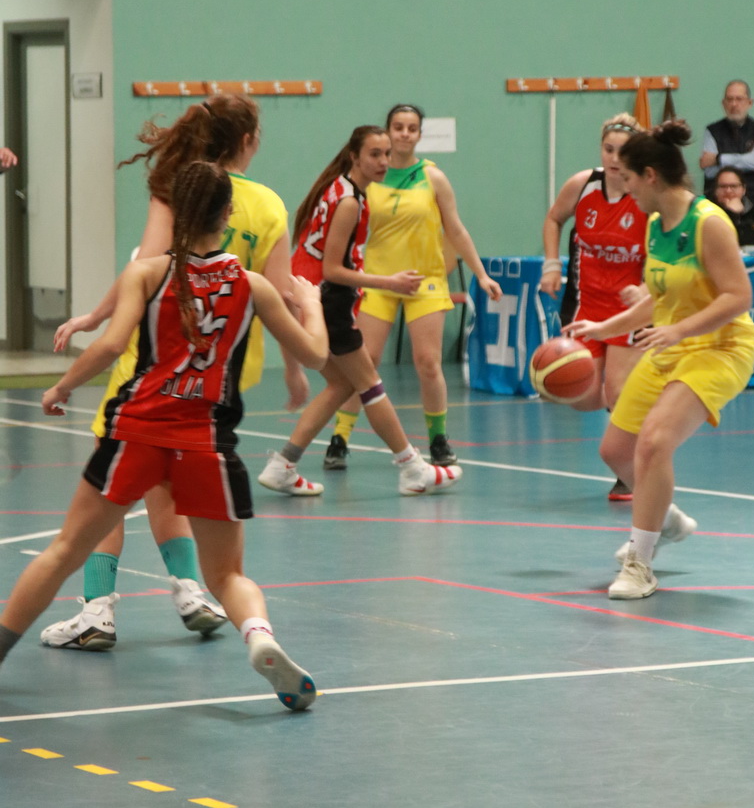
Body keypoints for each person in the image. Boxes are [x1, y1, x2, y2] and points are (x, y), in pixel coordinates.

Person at [0, 161, 328, 710]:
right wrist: (312, 306)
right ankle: (260, 638)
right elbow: (315, 355)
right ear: (227, 214)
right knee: (228, 575)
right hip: (208, 442)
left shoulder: (147, 274)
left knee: (64, 551)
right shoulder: (252, 286)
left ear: (175, 212)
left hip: (137, 434)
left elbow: (110, 345)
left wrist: (61, 387)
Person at [43, 93, 310, 652]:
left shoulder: (179, 189)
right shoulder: (267, 205)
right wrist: (294, 370)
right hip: (221, 370)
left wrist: (97, 317)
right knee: (167, 482)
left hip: (157, 360)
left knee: (110, 484)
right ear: (248, 141)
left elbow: (148, 265)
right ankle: (191, 591)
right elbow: (285, 294)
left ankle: (96, 609)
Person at [565, 121, 754, 600]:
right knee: (616, 450)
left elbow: (739, 296)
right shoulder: (655, 225)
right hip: (670, 344)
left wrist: (679, 330)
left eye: (628, 177)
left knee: (654, 442)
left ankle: (640, 563)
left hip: (719, 348)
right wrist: (603, 327)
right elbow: (658, 296)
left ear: (650, 176)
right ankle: (664, 518)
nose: (624, 187)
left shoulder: (709, 223)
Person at [258, 125, 463, 497]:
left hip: (308, 294)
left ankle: (282, 465)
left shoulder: (338, 187)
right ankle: (412, 468)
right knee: (369, 384)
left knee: (343, 385)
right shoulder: (350, 202)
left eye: (386, 154)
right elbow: (333, 269)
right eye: (374, 154)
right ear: (354, 156)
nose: (383, 161)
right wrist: (389, 282)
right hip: (325, 300)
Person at [322, 103, 502, 471]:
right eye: (398, 127)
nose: (405, 133)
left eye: (411, 128)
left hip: (425, 281)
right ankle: (340, 437)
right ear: (388, 132)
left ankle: (438, 439)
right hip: (378, 280)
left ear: (420, 134)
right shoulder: (369, 178)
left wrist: (481, 274)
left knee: (428, 363)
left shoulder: (432, 177)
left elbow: (456, 229)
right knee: (365, 362)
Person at [541, 113, 649, 501]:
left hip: (628, 311)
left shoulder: (646, 196)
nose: (614, 158)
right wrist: (552, 264)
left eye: (623, 151)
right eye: (608, 149)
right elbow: (554, 219)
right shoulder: (583, 185)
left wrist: (647, 288)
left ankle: (629, 470)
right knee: (579, 394)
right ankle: (640, 404)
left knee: (618, 391)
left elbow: (664, 248)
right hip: (586, 305)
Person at [700, 80, 754, 207]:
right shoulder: (711, 131)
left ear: (750, 103)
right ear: (723, 104)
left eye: (739, 99)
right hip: (717, 204)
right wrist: (746, 161)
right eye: (729, 99)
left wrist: (719, 159)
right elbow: (710, 170)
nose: (734, 104)